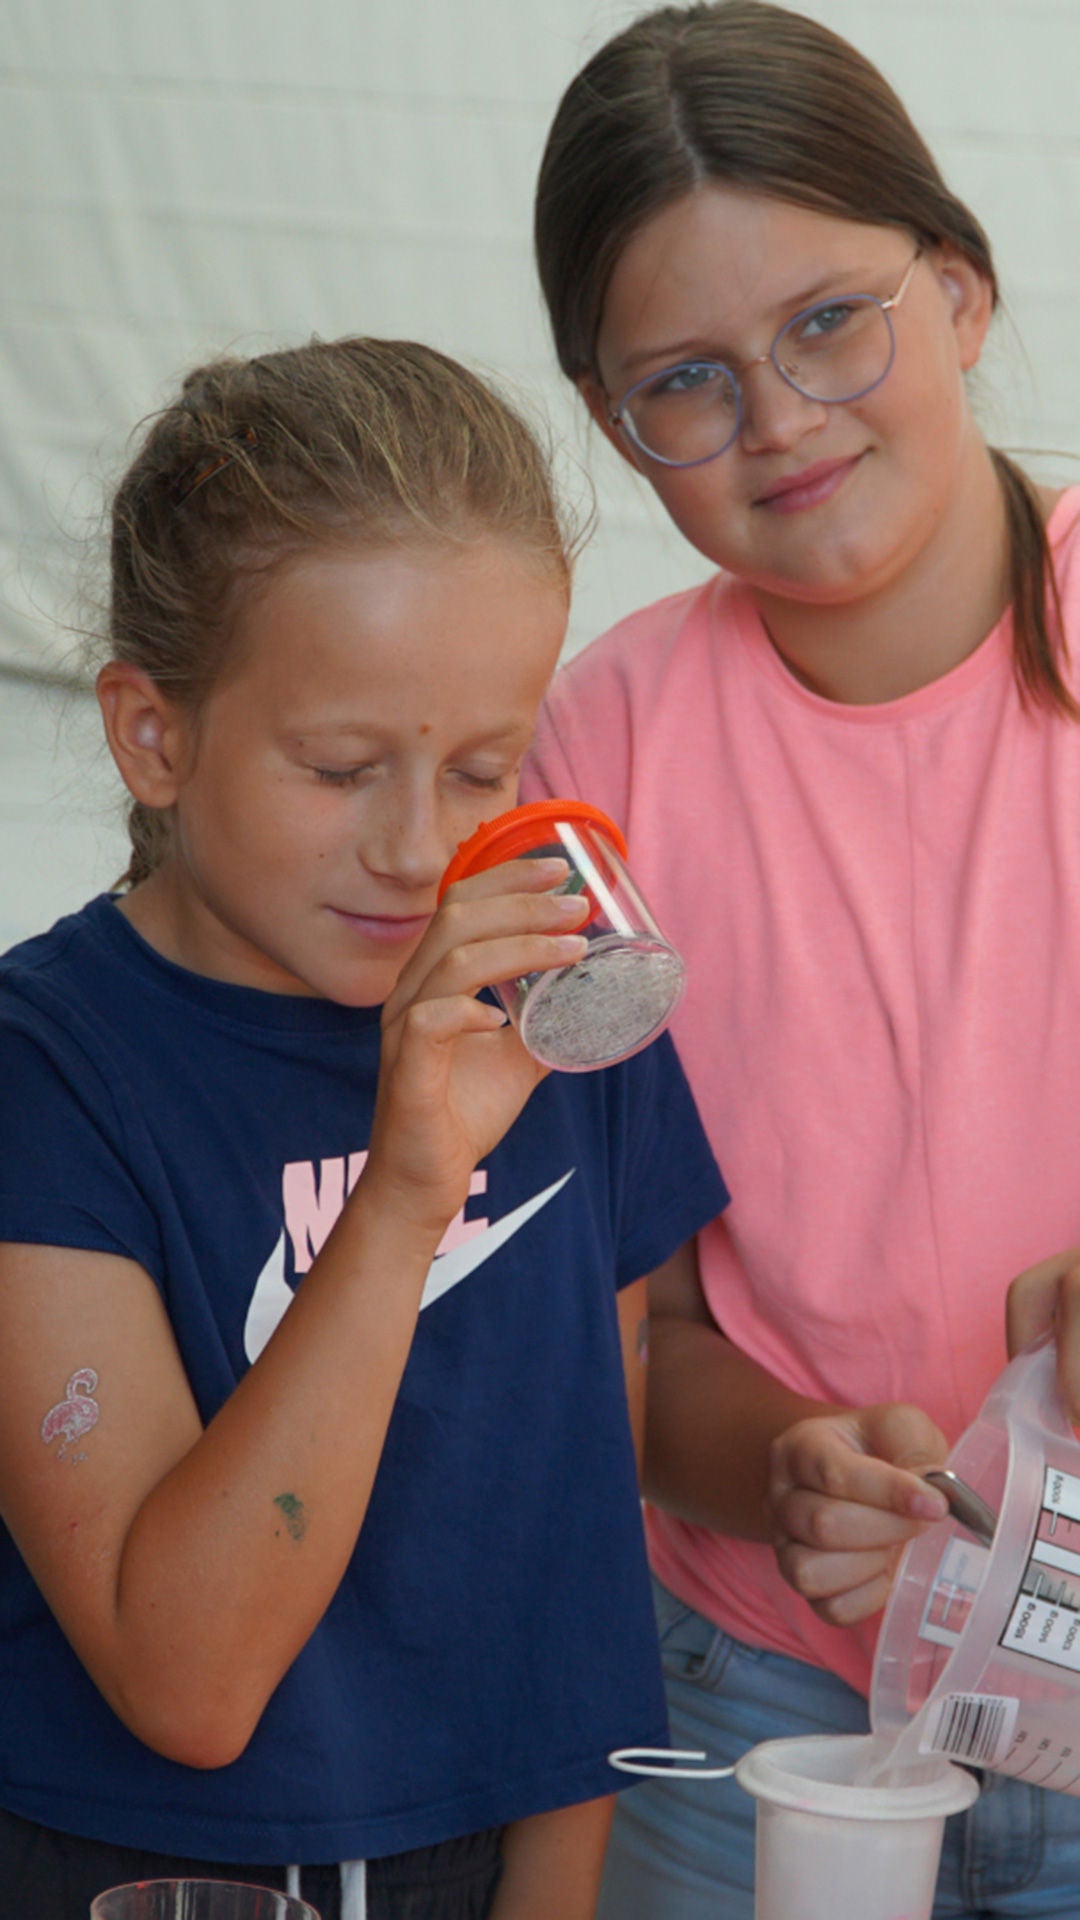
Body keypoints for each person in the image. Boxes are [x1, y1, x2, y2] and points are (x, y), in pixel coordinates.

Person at [0, 336, 728, 1920]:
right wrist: (404, 1194)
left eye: (485, 766)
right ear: (153, 736)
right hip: (131, 1870)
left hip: (476, 1860)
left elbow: (575, 1555)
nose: (420, 849)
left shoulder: (561, 1015)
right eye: (340, 768)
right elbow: (186, 1685)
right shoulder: (47, 1075)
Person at [525, 4, 1080, 1914]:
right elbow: (624, 1340)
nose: (779, 419)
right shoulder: (590, 772)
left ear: (962, 292)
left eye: (832, 320)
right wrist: (788, 1465)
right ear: (612, 424)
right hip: (757, 1706)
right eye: (685, 379)